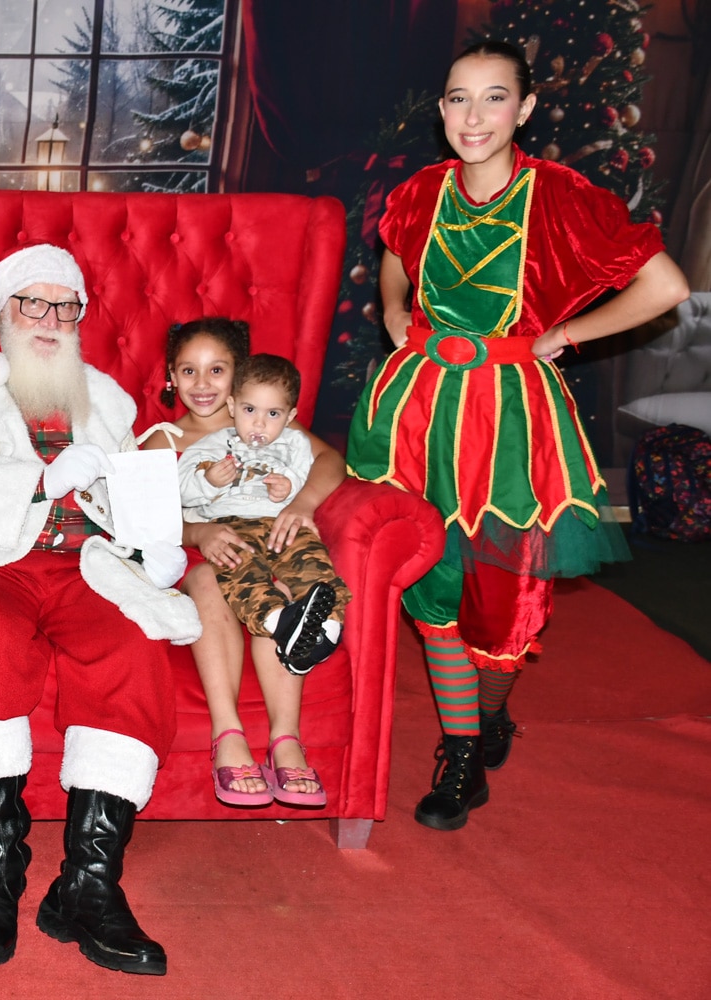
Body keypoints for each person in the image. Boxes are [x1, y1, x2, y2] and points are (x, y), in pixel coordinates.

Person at [346, 40, 691, 831]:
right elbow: (395, 252)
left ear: (525, 108)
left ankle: (490, 714)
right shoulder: (421, 190)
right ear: (442, 109)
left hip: (508, 423)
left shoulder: (561, 196)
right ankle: (463, 755)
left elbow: (666, 285)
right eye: (458, 99)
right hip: (413, 413)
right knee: (430, 581)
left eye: (494, 97)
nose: (473, 117)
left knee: (503, 598)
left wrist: (567, 334)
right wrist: (394, 310)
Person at [0, 244, 199, 976]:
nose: (51, 319)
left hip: (88, 564)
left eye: (66, 307)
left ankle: (87, 885)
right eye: (34, 304)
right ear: (3, 311)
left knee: (134, 640)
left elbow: (130, 494)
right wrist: (36, 480)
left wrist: (153, 545)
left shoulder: (106, 398)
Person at [142, 320, 348, 808]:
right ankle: (228, 733)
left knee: (285, 586)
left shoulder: (270, 424)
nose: (202, 383)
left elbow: (330, 461)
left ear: (238, 376)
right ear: (171, 375)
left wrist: (302, 505)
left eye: (217, 370)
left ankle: (285, 738)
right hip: (191, 551)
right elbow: (142, 519)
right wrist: (199, 533)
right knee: (211, 579)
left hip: (264, 541)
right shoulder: (162, 441)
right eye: (188, 371)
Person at [178, 353, 351, 681]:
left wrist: (290, 487)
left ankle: (325, 631)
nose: (259, 424)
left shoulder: (295, 444)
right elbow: (182, 492)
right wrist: (209, 480)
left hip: (281, 523)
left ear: (290, 416)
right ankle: (279, 621)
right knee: (238, 570)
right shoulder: (209, 447)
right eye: (249, 410)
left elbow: (308, 475)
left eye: (273, 414)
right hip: (231, 526)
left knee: (312, 560)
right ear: (232, 406)